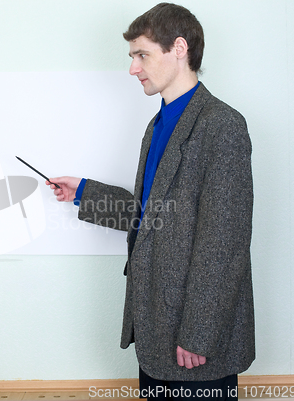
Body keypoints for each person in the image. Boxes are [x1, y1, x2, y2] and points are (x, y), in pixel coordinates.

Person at [47, 3, 254, 400]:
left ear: (179, 48)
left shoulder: (221, 125)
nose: (133, 68)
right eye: (132, 57)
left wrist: (199, 332)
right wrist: (86, 192)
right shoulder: (158, 124)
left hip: (194, 339)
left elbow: (223, 244)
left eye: (141, 55)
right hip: (156, 329)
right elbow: (156, 217)